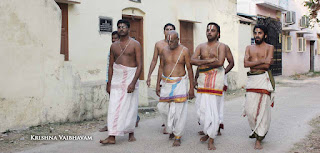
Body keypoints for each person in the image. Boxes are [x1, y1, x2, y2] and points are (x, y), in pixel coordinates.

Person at [100, 19, 142, 144]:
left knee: (130, 106)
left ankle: (130, 132)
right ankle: (112, 136)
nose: (121, 29)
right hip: (117, 79)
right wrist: (109, 83)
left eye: (123, 27)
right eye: (119, 27)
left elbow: (140, 65)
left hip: (130, 77)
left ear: (128, 29)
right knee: (114, 106)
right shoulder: (113, 46)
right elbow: (111, 66)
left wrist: (133, 83)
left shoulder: (135, 44)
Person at [191, 22, 226, 150]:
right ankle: (207, 131)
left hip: (216, 80)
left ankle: (211, 138)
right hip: (203, 79)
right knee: (202, 109)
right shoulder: (201, 46)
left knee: (213, 110)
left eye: (213, 30)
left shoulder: (222, 46)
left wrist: (202, 64)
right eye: (208, 30)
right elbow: (192, 60)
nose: (209, 32)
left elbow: (220, 62)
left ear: (218, 33)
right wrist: (208, 61)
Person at [156, 30, 194, 147]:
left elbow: (189, 69)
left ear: (178, 40)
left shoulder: (184, 51)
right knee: (162, 107)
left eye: (172, 41)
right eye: (168, 41)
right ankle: (171, 128)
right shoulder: (164, 50)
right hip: (166, 83)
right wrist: (158, 84)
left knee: (179, 111)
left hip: (180, 83)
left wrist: (191, 87)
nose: (170, 43)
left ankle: (178, 135)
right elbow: (161, 67)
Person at [243, 24, 275, 150]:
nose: (257, 35)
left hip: (263, 80)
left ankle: (259, 138)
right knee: (250, 110)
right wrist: (262, 61)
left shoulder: (269, 47)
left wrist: (256, 63)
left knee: (263, 110)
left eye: (260, 33)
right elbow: (246, 64)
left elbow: (267, 66)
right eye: (255, 33)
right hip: (252, 80)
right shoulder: (249, 48)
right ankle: (256, 130)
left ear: (265, 35)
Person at [146, 23, 176, 133]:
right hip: (163, 76)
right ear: (164, 32)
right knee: (163, 102)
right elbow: (154, 61)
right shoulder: (159, 45)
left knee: (173, 101)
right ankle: (167, 121)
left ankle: (171, 123)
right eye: (167, 29)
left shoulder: (177, 45)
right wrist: (149, 76)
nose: (168, 31)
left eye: (171, 30)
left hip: (175, 77)